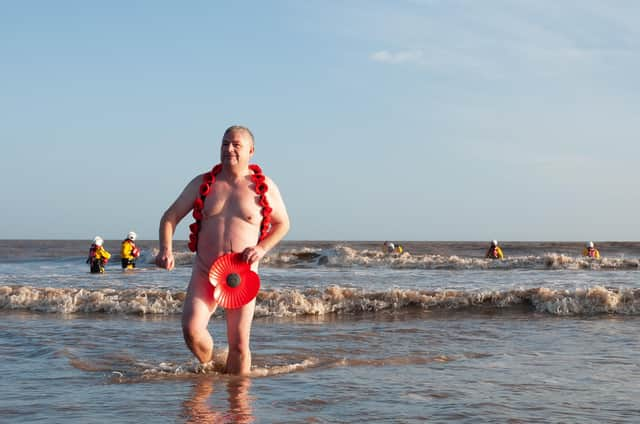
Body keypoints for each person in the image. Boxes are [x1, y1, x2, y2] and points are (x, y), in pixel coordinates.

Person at [155, 125, 290, 375]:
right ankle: (211, 369)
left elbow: (283, 224)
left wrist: (261, 248)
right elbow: (170, 216)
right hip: (205, 270)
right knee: (192, 331)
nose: (229, 149)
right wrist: (166, 250)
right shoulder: (203, 183)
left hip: (241, 275)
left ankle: (238, 405)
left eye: (236, 145)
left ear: (251, 150)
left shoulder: (264, 186)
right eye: (225, 143)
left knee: (238, 345)